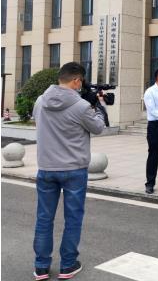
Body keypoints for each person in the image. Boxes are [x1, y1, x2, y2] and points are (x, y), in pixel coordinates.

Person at [32, 62, 107, 280]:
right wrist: (98, 106)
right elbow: (99, 127)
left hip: (46, 168)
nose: (81, 85)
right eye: (81, 81)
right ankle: (67, 265)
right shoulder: (81, 106)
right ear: (76, 80)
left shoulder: (40, 101)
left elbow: (40, 123)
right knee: (73, 219)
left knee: (44, 218)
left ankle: (41, 267)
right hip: (74, 169)